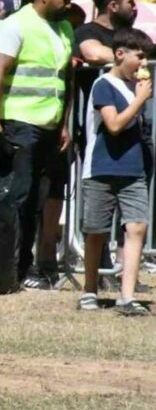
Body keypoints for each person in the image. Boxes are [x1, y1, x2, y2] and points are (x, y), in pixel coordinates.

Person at [0, 0, 76, 284]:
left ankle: (26, 268)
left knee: (39, 199)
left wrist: (64, 124)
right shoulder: (17, 24)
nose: (69, 4)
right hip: (20, 123)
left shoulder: (65, 28)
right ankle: (8, 268)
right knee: (19, 197)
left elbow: (65, 79)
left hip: (51, 126)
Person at [78, 30, 151, 316]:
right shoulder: (103, 85)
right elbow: (114, 125)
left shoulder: (136, 87)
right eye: (139, 56)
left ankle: (127, 296)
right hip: (101, 168)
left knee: (137, 227)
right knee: (96, 231)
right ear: (120, 54)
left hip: (133, 170)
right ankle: (89, 290)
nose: (143, 63)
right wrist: (140, 100)